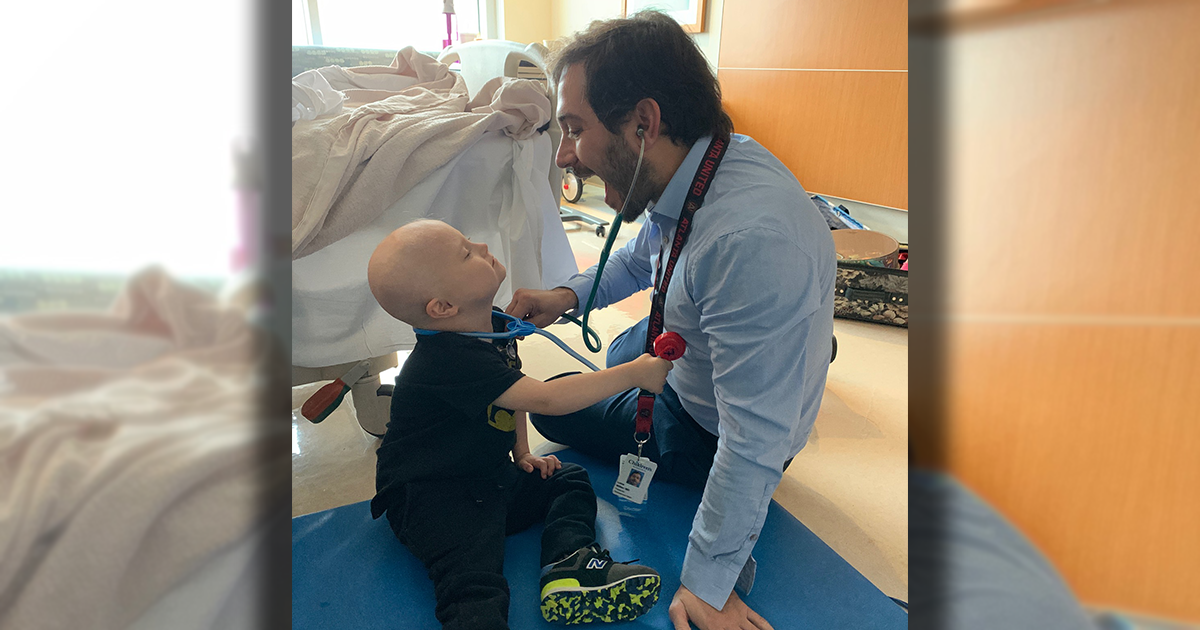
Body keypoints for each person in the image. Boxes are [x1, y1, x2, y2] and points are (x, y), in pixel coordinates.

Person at [504, 12, 836, 630]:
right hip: (688, 352)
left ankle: (680, 418)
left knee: (549, 403)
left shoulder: (750, 241)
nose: (565, 155)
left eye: (574, 129)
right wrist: (566, 297)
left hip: (709, 428)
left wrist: (709, 586)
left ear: (643, 123)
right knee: (622, 356)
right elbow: (645, 255)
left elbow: (754, 439)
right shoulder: (711, 160)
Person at [366, 219, 675, 629]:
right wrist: (632, 374)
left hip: (489, 478)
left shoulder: (492, 326)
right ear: (442, 307)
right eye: (465, 253)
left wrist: (523, 452)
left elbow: (513, 389)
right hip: (433, 496)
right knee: (475, 583)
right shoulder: (447, 359)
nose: (479, 243)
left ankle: (569, 564)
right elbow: (545, 398)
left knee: (568, 480)